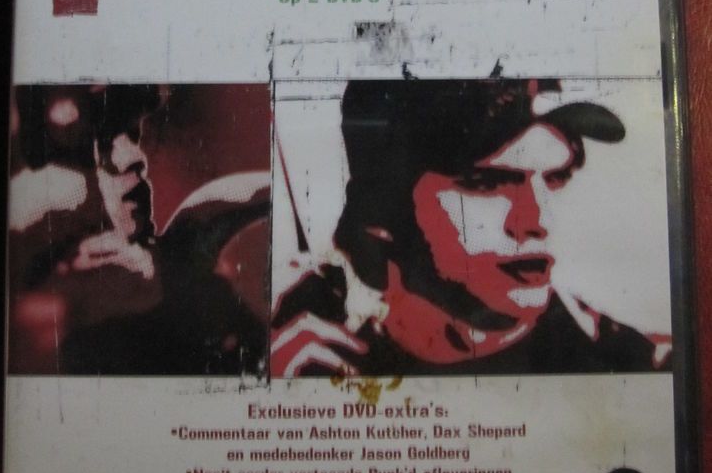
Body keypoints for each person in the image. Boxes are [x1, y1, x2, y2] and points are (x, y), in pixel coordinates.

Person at [271, 78, 672, 377]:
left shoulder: (642, 370)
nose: (537, 222)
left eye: (555, 178)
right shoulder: (298, 346)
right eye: (488, 184)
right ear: (382, 211)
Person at [8, 84, 269, 376]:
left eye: (132, 134)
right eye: (104, 143)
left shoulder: (192, 234)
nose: (132, 158)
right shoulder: (45, 210)